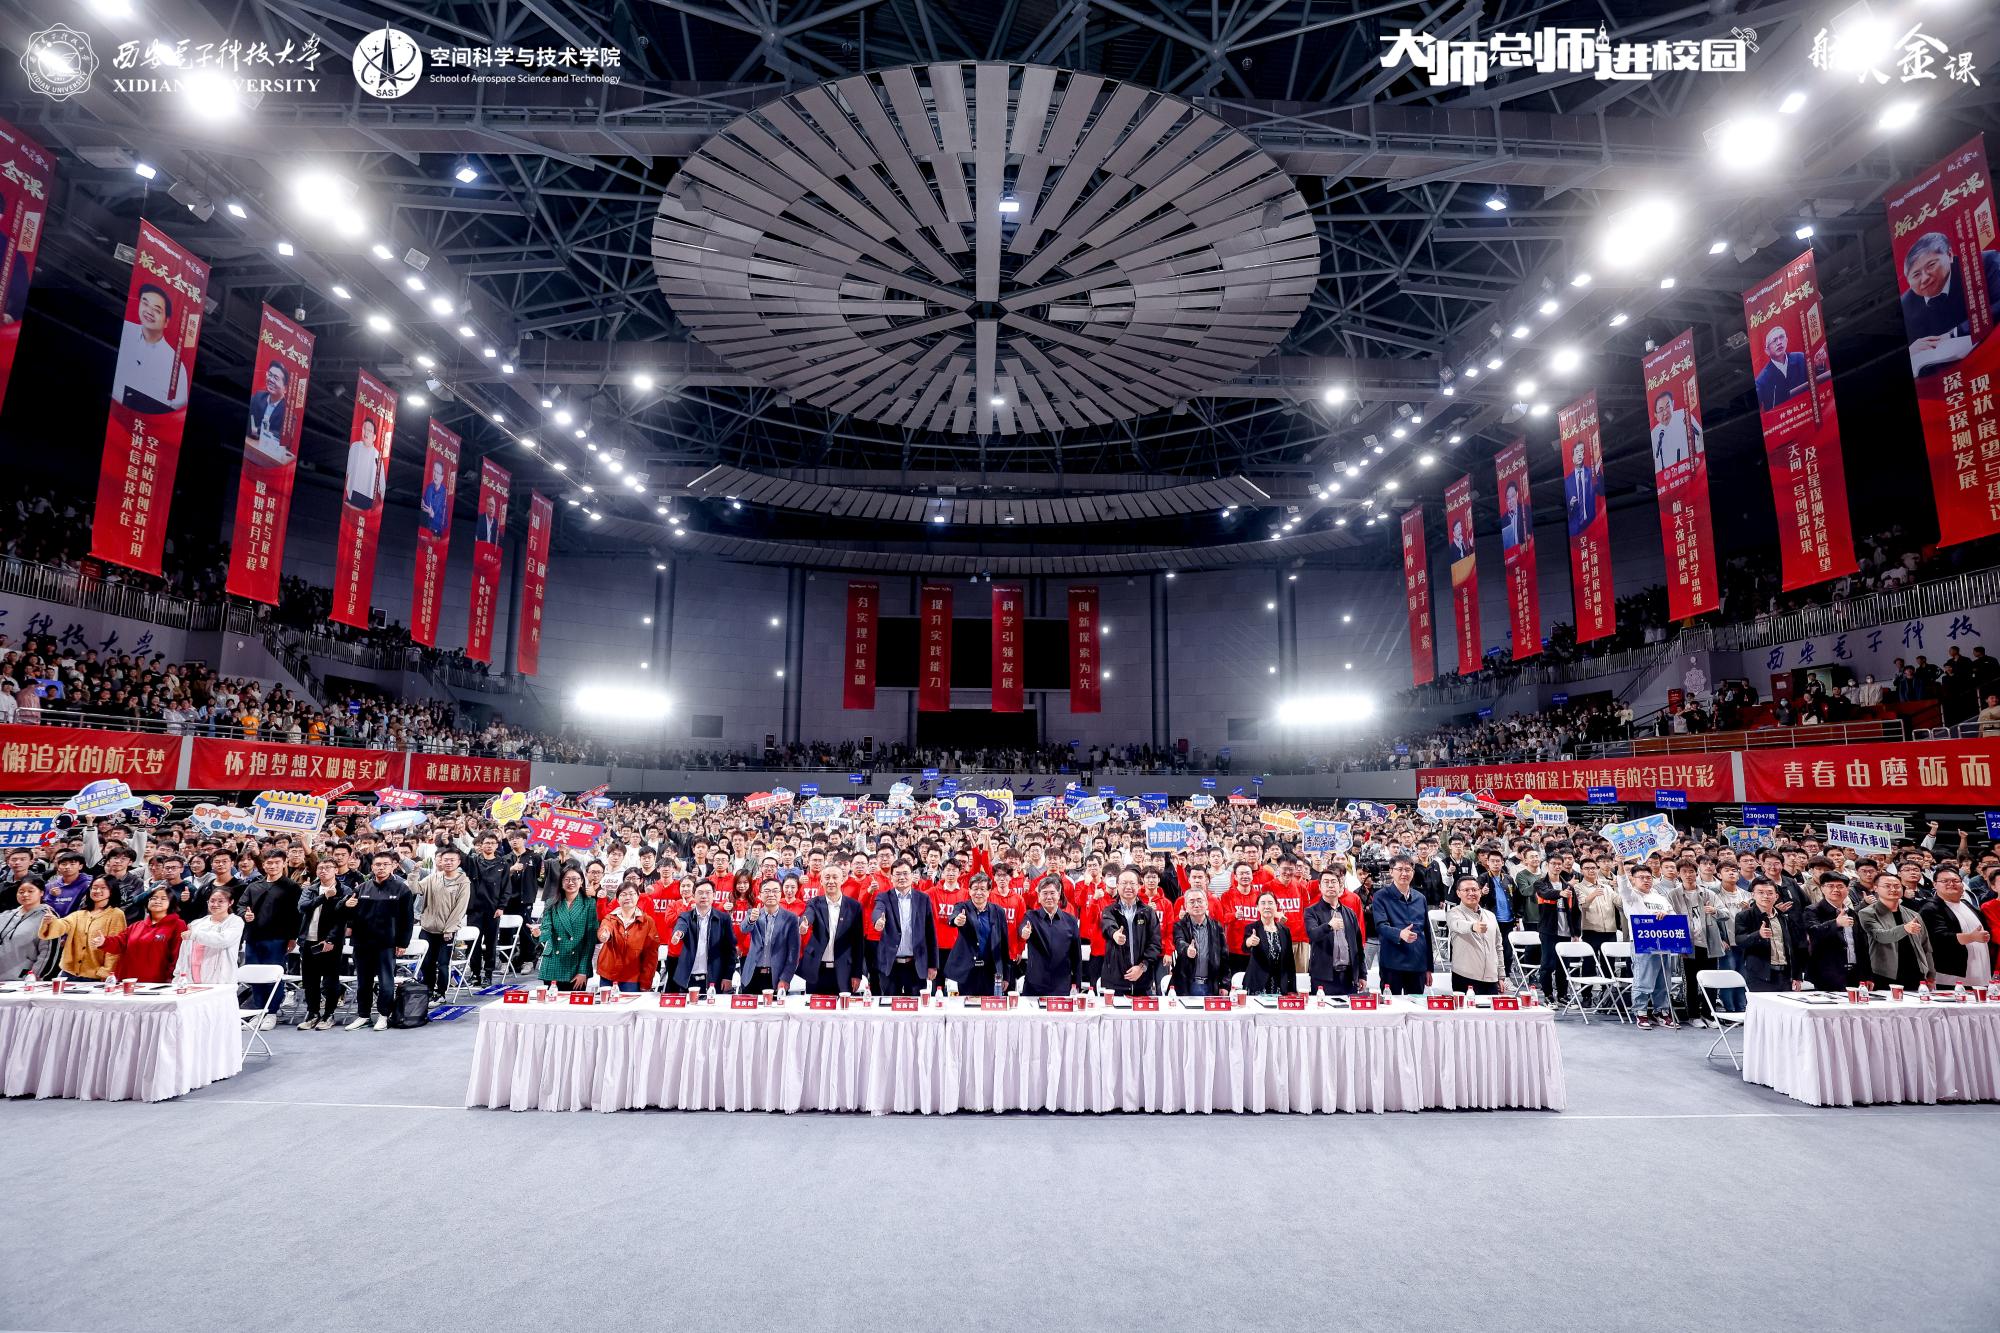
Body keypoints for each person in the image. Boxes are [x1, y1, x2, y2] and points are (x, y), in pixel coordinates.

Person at [1897, 231, 2000, 375]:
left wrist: (1955, 333)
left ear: (1950, 255)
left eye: (1931, 265)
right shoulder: (1905, 306)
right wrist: (1909, 351)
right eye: (1916, 274)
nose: (1925, 278)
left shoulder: (1984, 263)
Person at [344, 851, 413, 1030]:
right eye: (377, 864)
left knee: (386, 982)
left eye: (385, 864)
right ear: (372, 867)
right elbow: (349, 913)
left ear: (393, 866)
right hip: (362, 943)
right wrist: (347, 908)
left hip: (387, 943)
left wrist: (403, 943)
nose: (381, 868)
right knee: (363, 982)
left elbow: (407, 919)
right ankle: (363, 1015)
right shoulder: (362, 888)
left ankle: (384, 1015)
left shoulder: (402, 889)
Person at [238, 851, 300, 1024]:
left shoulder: (292, 887)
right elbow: (241, 905)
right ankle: (259, 1010)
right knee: (255, 975)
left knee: (273, 975)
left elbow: (296, 915)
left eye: (277, 862)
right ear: (263, 865)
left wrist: (292, 937)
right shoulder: (253, 886)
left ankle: (272, 1012)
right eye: (269, 863)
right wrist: (245, 914)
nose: (272, 866)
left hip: (277, 939)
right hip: (253, 937)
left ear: (284, 863)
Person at [110, 283, 189, 413]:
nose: (148, 311)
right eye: (145, 303)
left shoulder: (175, 364)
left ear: (166, 321)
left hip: (143, 419)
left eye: (157, 310)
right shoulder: (126, 331)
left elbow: (177, 410)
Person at [1617, 866, 1676, 1027]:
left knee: (1663, 980)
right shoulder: (1630, 896)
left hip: (1663, 941)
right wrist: (1620, 866)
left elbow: (1673, 915)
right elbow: (1623, 884)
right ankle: (1641, 1012)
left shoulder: (1660, 897)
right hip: (1642, 941)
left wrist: (1665, 916)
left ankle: (1661, 1011)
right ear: (1633, 879)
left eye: (1648, 877)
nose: (1646, 880)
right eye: (1641, 877)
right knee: (1643, 978)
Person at [295, 861, 349, 1029]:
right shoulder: (310, 889)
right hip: (308, 939)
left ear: (336, 870)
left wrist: (331, 939)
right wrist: (323, 896)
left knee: (330, 980)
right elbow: (302, 907)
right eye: (320, 868)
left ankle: (329, 1014)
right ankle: (313, 1013)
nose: (323, 871)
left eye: (327, 868)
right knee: (310, 980)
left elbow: (342, 919)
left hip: (330, 942)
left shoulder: (344, 890)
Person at [37, 878, 126, 981]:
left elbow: (115, 947)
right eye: (94, 888)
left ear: (112, 891)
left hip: (96, 976)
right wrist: (51, 922)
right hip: (68, 973)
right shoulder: (79, 914)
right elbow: (62, 925)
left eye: (103, 888)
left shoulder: (116, 914)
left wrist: (107, 972)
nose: (97, 891)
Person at [98, 886, 187, 984]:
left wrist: (171, 980)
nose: (157, 901)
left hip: (158, 984)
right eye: (153, 898)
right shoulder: (136, 925)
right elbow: (119, 943)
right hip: (128, 980)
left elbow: (177, 956)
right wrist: (104, 942)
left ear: (171, 903)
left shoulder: (177, 925)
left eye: (163, 898)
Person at [871, 862, 936, 996]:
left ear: (912, 876)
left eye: (905, 873)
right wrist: (878, 920)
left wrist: (932, 965)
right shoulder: (883, 897)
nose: (902, 877)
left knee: (916, 1005)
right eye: (898, 874)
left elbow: (930, 933)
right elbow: (878, 910)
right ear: (891, 877)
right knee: (889, 1004)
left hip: (916, 964)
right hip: (891, 965)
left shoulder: (923, 899)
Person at [1370, 854, 1431, 995]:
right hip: (1392, 961)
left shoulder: (1420, 898)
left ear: (1413, 872)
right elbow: (1380, 926)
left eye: (1408, 870)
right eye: (1400, 869)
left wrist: (1429, 967)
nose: (1404, 873)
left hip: (1417, 963)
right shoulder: (1381, 896)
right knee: (1391, 1004)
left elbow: (1427, 933)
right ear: (1391, 872)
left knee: (1416, 1005)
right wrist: (1399, 934)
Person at [1922, 867, 1992, 987]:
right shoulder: (1930, 908)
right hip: (1950, 976)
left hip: (1982, 971)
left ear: (1962, 884)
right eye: (1945, 881)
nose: (1951, 884)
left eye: (1955, 881)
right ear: (1935, 884)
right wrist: (1971, 937)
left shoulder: (1968, 905)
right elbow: (1939, 938)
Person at [1858, 877, 1932, 989]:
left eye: (1897, 886)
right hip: (1884, 974)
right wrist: (1905, 928)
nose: (1893, 889)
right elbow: (1881, 936)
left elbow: (1926, 946)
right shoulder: (1867, 913)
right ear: (1875, 888)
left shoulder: (1913, 914)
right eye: (1887, 886)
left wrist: (1931, 974)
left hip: (1916, 973)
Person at [943, 873, 1009, 997]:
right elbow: (954, 916)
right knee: (966, 1006)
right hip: (968, 971)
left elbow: (1004, 945)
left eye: (983, 889)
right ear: (969, 890)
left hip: (990, 971)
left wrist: (1006, 975)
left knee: (989, 1005)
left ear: (989, 892)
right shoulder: (962, 907)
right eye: (975, 889)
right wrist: (957, 920)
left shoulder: (998, 911)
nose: (978, 892)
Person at [1096, 870, 1161, 995]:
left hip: (1142, 982)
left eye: (1132, 883)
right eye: (1124, 883)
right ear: (1117, 885)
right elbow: (1108, 926)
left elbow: (1155, 943)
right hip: (1115, 982)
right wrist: (1115, 934)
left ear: (1139, 886)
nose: (1128, 887)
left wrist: (1142, 967)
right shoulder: (1109, 911)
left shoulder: (1148, 912)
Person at [799, 872, 864, 995]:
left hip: (844, 971)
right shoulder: (814, 903)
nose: (831, 881)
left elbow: (858, 943)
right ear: (821, 881)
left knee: (843, 1006)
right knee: (814, 1005)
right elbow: (808, 914)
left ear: (842, 880)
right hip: (817, 970)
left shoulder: (854, 906)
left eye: (835, 877)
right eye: (827, 878)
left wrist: (857, 974)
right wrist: (804, 923)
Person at [535, 866, 597, 994]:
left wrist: (583, 971)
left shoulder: (589, 903)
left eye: (575, 879)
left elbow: (590, 941)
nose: (571, 882)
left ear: (581, 882)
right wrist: (539, 933)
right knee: (551, 1002)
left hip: (576, 963)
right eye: (566, 879)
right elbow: (547, 929)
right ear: (561, 882)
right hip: (553, 961)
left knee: (574, 1003)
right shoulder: (551, 903)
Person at [1303, 870, 1364, 995]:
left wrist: (1362, 974)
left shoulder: (1350, 913)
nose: (1330, 885)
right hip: (1323, 976)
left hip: (1349, 976)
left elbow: (1358, 946)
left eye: (1333, 882)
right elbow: (1312, 934)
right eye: (1326, 882)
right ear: (1320, 887)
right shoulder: (1311, 911)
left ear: (1340, 886)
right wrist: (1329, 926)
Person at [1018, 875, 1080, 997]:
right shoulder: (1031, 916)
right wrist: (1024, 932)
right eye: (1045, 893)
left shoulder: (1071, 921)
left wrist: (1076, 983)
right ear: (1039, 896)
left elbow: (1076, 955)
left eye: (1052, 893)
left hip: (1061, 986)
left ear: (1059, 894)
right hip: (1034, 985)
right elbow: (1023, 928)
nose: (1049, 897)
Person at [1734, 879, 1800, 992]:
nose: (1765, 896)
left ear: (1776, 896)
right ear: (1753, 895)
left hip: (1785, 975)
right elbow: (1740, 940)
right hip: (1759, 975)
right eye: (1760, 892)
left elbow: (1794, 947)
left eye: (1770, 893)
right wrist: (1758, 935)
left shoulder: (1784, 917)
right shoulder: (1744, 916)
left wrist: (1796, 975)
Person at [670, 880, 736, 994]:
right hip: (688, 978)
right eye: (700, 892)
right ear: (694, 895)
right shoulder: (685, 916)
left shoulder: (723, 919)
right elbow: (681, 926)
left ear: (714, 895)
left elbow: (730, 950)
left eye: (708, 892)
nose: (704, 896)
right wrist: (678, 933)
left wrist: (728, 976)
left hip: (714, 978)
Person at [737, 879, 799, 995]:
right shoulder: (753, 913)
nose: (771, 894)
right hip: (751, 976)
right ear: (760, 895)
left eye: (775, 891)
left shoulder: (791, 919)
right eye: (767, 891)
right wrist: (751, 920)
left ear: (780, 894)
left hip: (776, 977)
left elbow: (793, 953)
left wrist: (785, 978)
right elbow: (744, 929)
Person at [597, 882, 663, 992]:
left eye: (631, 894)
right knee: (606, 1002)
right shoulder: (610, 918)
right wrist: (604, 935)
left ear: (638, 896)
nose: (627, 897)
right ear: (617, 899)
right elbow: (605, 928)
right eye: (623, 894)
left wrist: (646, 983)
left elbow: (651, 955)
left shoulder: (647, 922)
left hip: (632, 976)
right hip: (608, 974)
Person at [1444, 876, 1504, 996]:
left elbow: (1498, 946)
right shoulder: (1453, 913)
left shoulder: (1490, 916)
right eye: (1466, 890)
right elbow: (1457, 925)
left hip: (1491, 978)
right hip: (1465, 976)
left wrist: (1501, 975)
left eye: (1474, 890)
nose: (1471, 893)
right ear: (1458, 893)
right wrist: (1473, 926)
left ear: (1480, 892)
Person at [177, 887, 245, 986]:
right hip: (192, 981)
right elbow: (183, 954)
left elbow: (223, 940)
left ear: (230, 902)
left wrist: (195, 935)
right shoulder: (196, 924)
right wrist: (177, 976)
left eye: (220, 901)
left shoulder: (235, 922)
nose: (215, 904)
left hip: (221, 981)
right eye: (212, 901)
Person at [1169, 886, 1228, 996]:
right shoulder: (1179, 926)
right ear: (1186, 907)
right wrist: (1187, 950)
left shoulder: (1216, 927)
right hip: (1187, 984)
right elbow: (1179, 941)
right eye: (1192, 902)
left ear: (1206, 904)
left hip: (1211, 985)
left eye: (1199, 901)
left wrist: (1225, 985)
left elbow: (1224, 956)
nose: (1196, 905)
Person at [1241, 889, 1295, 994]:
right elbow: (1244, 947)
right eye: (1263, 903)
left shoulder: (1285, 930)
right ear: (1257, 907)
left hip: (1279, 984)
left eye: (1270, 903)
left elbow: (1290, 961)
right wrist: (1249, 942)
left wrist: (1292, 988)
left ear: (1276, 906)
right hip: (1257, 984)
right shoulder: (1252, 928)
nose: (1267, 906)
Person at [244, 360, 293, 466]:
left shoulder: (288, 413)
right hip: (248, 452)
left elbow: (285, 441)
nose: (271, 379)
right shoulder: (257, 397)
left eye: (276, 378)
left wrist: (259, 431)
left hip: (268, 461)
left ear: (285, 388)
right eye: (269, 375)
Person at [0, 880, 52, 979]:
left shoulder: (48, 917)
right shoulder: (6, 915)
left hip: (24, 978)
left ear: (41, 893)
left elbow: (47, 952)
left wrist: (35, 976)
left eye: (30, 891)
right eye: (21, 892)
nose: (25, 894)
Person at [1753, 324, 1810, 411]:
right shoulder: (1761, 381)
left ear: (1786, 340)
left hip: (1806, 408)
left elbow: (1817, 380)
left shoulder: (1800, 358)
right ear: (1767, 351)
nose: (1779, 342)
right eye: (1774, 340)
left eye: (1781, 337)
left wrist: (1820, 365)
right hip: (1784, 416)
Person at [1648, 389, 1703, 472]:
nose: (1665, 412)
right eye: (1661, 410)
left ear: (1673, 404)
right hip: (1669, 475)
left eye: (1668, 406)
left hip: (1691, 468)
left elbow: (1700, 436)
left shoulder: (1684, 415)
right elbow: (1656, 461)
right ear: (1656, 415)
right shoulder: (1655, 433)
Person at [344, 416, 387, 511]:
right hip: (351, 494)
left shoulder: (377, 455)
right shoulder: (355, 446)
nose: (366, 432)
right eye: (364, 428)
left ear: (374, 437)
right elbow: (348, 470)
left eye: (369, 430)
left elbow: (382, 483)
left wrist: (381, 505)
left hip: (367, 498)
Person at [1564, 440, 1600, 535]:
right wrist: (1571, 504)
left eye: (1582, 451)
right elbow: (1567, 509)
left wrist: (1598, 472)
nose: (1580, 454)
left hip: (1592, 522)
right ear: (1572, 458)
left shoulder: (1591, 473)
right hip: (1575, 526)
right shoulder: (1567, 481)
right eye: (1577, 452)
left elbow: (1601, 491)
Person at [419, 460, 451, 537]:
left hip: (437, 532)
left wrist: (432, 515)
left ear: (442, 476)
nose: (435, 475)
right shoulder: (429, 488)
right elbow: (424, 506)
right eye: (434, 471)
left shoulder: (445, 494)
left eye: (438, 473)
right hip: (425, 528)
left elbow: (445, 521)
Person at [1499, 481, 1528, 552]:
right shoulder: (1503, 519)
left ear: (1517, 495)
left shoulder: (1525, 510)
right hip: (1511, 554)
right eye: (1508, 498)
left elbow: (1529, 533)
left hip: (1524, 551)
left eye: (1512, 496)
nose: (1510, 501)